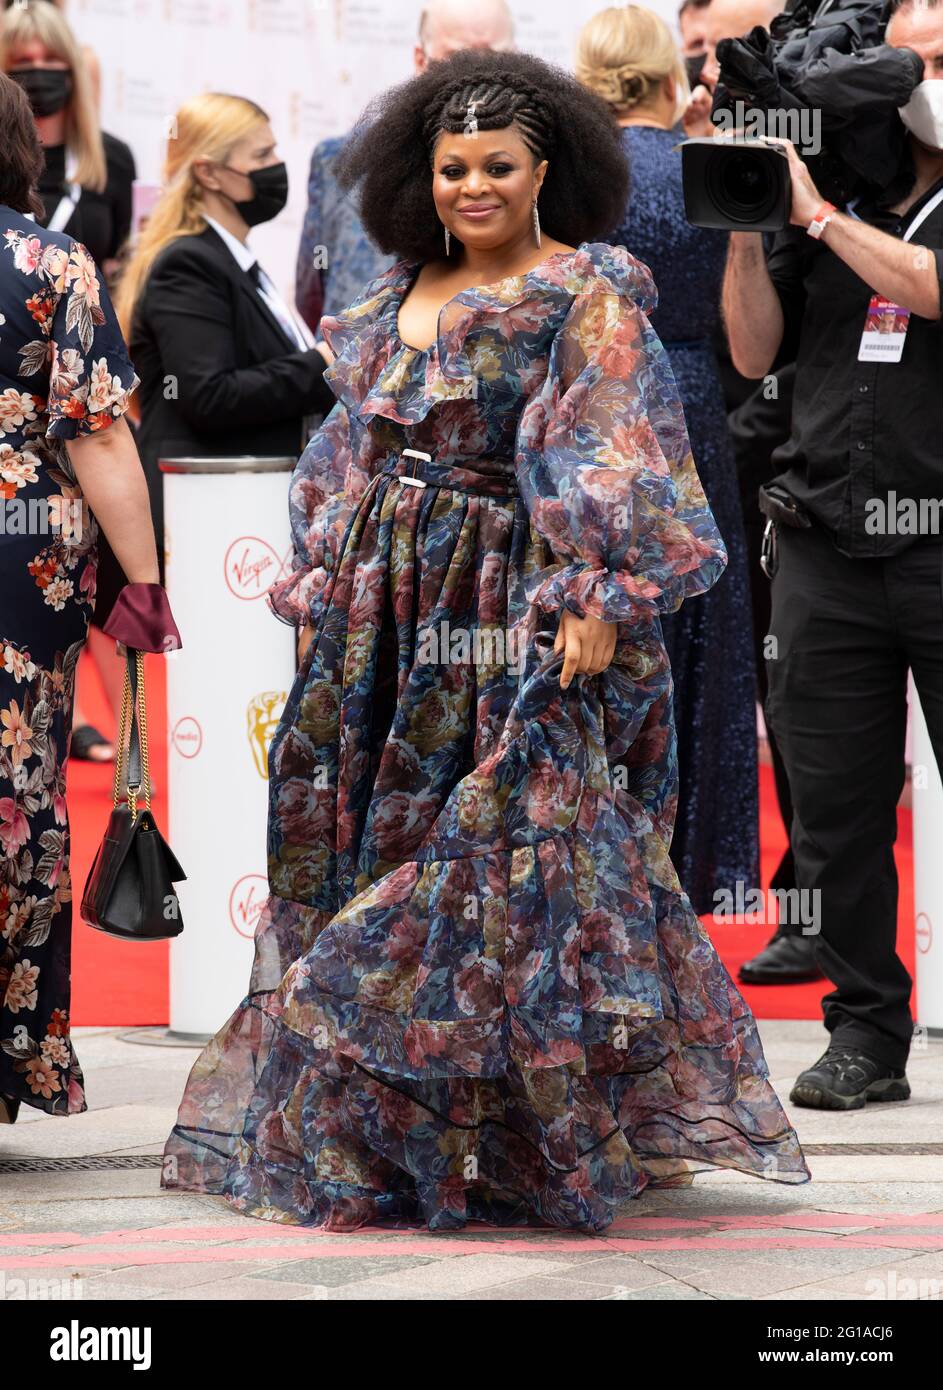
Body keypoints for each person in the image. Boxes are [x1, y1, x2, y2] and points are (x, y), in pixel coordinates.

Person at [162, 48, 811, 1231]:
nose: (472, 186)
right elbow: (343, 452)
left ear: (543, 167)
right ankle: (392, 1134)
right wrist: (323, 573)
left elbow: (618, 448)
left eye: (497, 166)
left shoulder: (586, 292)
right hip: (383, 613)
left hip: (516, 603)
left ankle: (519, 1137)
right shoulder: (384, 300)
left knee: (508, 866)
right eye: (452, 167)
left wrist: (594, 595)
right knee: (369, 836)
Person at [722, 0, 943, 1108]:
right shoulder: (830, 196)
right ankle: (864, 1032)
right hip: (819, 541)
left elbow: (932, 289)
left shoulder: (855, 215)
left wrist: (814, 220)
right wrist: (748, 219)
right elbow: (753, 347)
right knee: (836, 808)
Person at [0, 72, 178, 1124]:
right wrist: (144, 586)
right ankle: (13, 1046)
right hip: (19, 555)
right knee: (17, 795)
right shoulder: (48, 260)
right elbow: (101, 433)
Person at [577, 5, 758, 917]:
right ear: (666, 75)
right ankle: (697, 874)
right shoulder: (707, 171)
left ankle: (595, 869)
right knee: (701, 629)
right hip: (690, 399)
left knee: (600, 625)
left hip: (592, 411)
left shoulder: (567, 180)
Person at [114, 93, 335, 599]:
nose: (275, 168)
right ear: (210, 174)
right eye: (260, 157)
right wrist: (322, 365)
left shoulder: (234, 263)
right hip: (207, 516)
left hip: (239, 514)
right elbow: (208, 395)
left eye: (274, 152)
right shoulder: (189, 264)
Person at [1, 0, 137, 764]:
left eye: (51, 67)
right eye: (22, 68)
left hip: (89, 378)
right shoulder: (52, 258)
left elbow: (118, 266)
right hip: (51, 452)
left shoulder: (110, 160)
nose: (39, 81)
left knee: (99, 567)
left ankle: (125, 731)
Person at [295, 0, 516, 334]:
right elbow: (313, 292)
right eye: (456, 57)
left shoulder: (538, 171)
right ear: (420, 59)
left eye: (491, 58)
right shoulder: (341, 160)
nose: (474, 76)